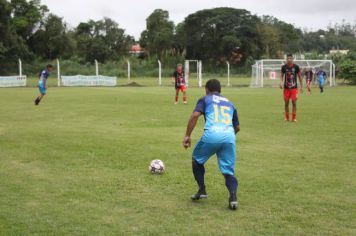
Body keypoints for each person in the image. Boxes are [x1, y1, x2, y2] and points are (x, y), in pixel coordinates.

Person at [182, 79, 240, 210]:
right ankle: (233, 197)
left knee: (196, 160)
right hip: (229, 136)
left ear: (207, 89)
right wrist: (226, 138)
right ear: (220, 90)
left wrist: (187, 136)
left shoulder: (205, 99)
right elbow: (237, 127)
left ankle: (202, 190)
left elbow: (195, 116)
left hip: (212, 134)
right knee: (228, 171)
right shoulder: (230, 103)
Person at [280, 54, 303, 122]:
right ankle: (287, 118)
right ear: (286, 59)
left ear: (292, 59)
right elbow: (281, 76)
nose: (289, 59)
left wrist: (301, 86)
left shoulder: (296, 67)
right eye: (288, 58)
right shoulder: (284, 67)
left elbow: (300, 77)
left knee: (294, 103)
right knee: (286, 103)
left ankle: (293, 118)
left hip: (294, 88)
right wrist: (281, 82)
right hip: (286, 88)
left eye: (290, 58)